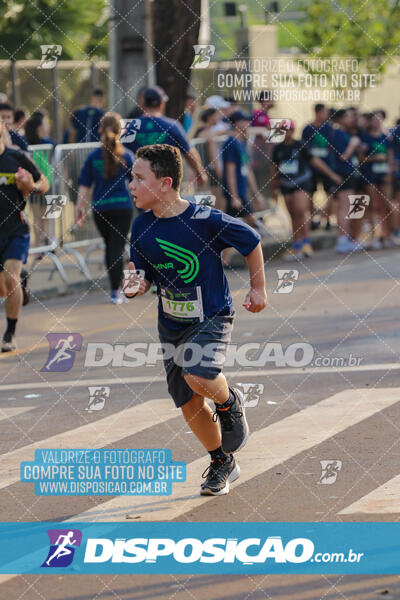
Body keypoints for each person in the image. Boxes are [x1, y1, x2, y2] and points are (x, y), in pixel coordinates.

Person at [127, 143, 267, 496]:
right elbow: (140, 271)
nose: (130, 185)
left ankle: (229, 403)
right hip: (171, 323)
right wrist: (136, 283)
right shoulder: (141, 227)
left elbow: (251, 241)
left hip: (213, 316)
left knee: (197, 372)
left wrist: (258, 289)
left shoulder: (204, 220)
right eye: (131, 177)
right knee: (189, 402)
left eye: (138, 178)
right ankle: (222, 462)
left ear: (164, 183)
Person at [0, 121, 49, 351]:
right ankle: (21, 283)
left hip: (15, 230)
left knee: (10, 278)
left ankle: (10, 333)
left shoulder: (16, 157)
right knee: (5, 287)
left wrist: (32, 185)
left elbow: (44, 182)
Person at [76, 112, 135, 304]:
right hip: (122, 208)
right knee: (117, 248)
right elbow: (138, 181)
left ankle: (115, 290)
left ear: (100, 129)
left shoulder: (93, 157)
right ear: (120, 131)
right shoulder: (126, 155)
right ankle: (116, 290)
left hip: (100, 209)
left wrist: (79, 208)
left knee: (111, 248)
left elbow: (84, 185)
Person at [271, 121, 342, 261]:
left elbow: (315, 161)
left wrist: (332, 175)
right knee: (292, 214)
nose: (287, 133)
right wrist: (274, 186)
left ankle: (306, 242)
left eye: (289, 130)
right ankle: (296, 244)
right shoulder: (277, 149)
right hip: (286, 184)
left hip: (302, 182)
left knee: (300, 210)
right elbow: (273, 168)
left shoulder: (300, 145)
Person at [122, 87, 207, 186]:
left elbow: (120, 154)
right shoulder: (172, 125)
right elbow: (189, 153)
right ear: (161, 104)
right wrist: (200, 173)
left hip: (140, 184)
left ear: (143, 103)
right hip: (165, 184)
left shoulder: (131, 127)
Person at [221, 110, 266, 265]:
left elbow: (247, 171)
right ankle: (247, 259)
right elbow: (230, 170)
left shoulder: (241, 143)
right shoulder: (230, 143)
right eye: (244, 121)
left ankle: (225, 259)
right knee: (249, 224)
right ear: (236, 123)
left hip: (241, 191)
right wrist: (234, 195)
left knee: (232, 227)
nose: (247, 124)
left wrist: (256, 193)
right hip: (236, 193)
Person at [359, 110, 397, 248]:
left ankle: (389, 235)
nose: (376, 122)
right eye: (374, 119)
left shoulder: (387, 137)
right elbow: (361, 158)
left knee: (387, 204)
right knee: (374, 206)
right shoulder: (364, 137)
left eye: (379, 119)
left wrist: (389, 172)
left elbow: (390, 156)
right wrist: (374, 158)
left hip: (384, 175)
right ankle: (375, 236)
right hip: (370, 175)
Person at [330, 109, 363, 253]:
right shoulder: (337, 134)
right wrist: (352, 144)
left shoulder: (345, 133)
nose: (351, 119)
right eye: (348, 117)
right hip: (343, 174)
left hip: (350, 173)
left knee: (350, 207)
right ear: (341, 119)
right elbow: (342, 157)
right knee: (344, 207)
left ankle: (348, 238)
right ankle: (342, 240)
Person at [301, 104, 334, 229]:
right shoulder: (307, 129)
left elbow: (332, 147)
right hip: (311, 168)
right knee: (310, 193)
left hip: (327, 167)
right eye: (325, 112)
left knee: (330, 193)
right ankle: (313, 219)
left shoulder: (329, 128)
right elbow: (304, 149)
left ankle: (327, 219)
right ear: (318, 113)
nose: (326, 115)